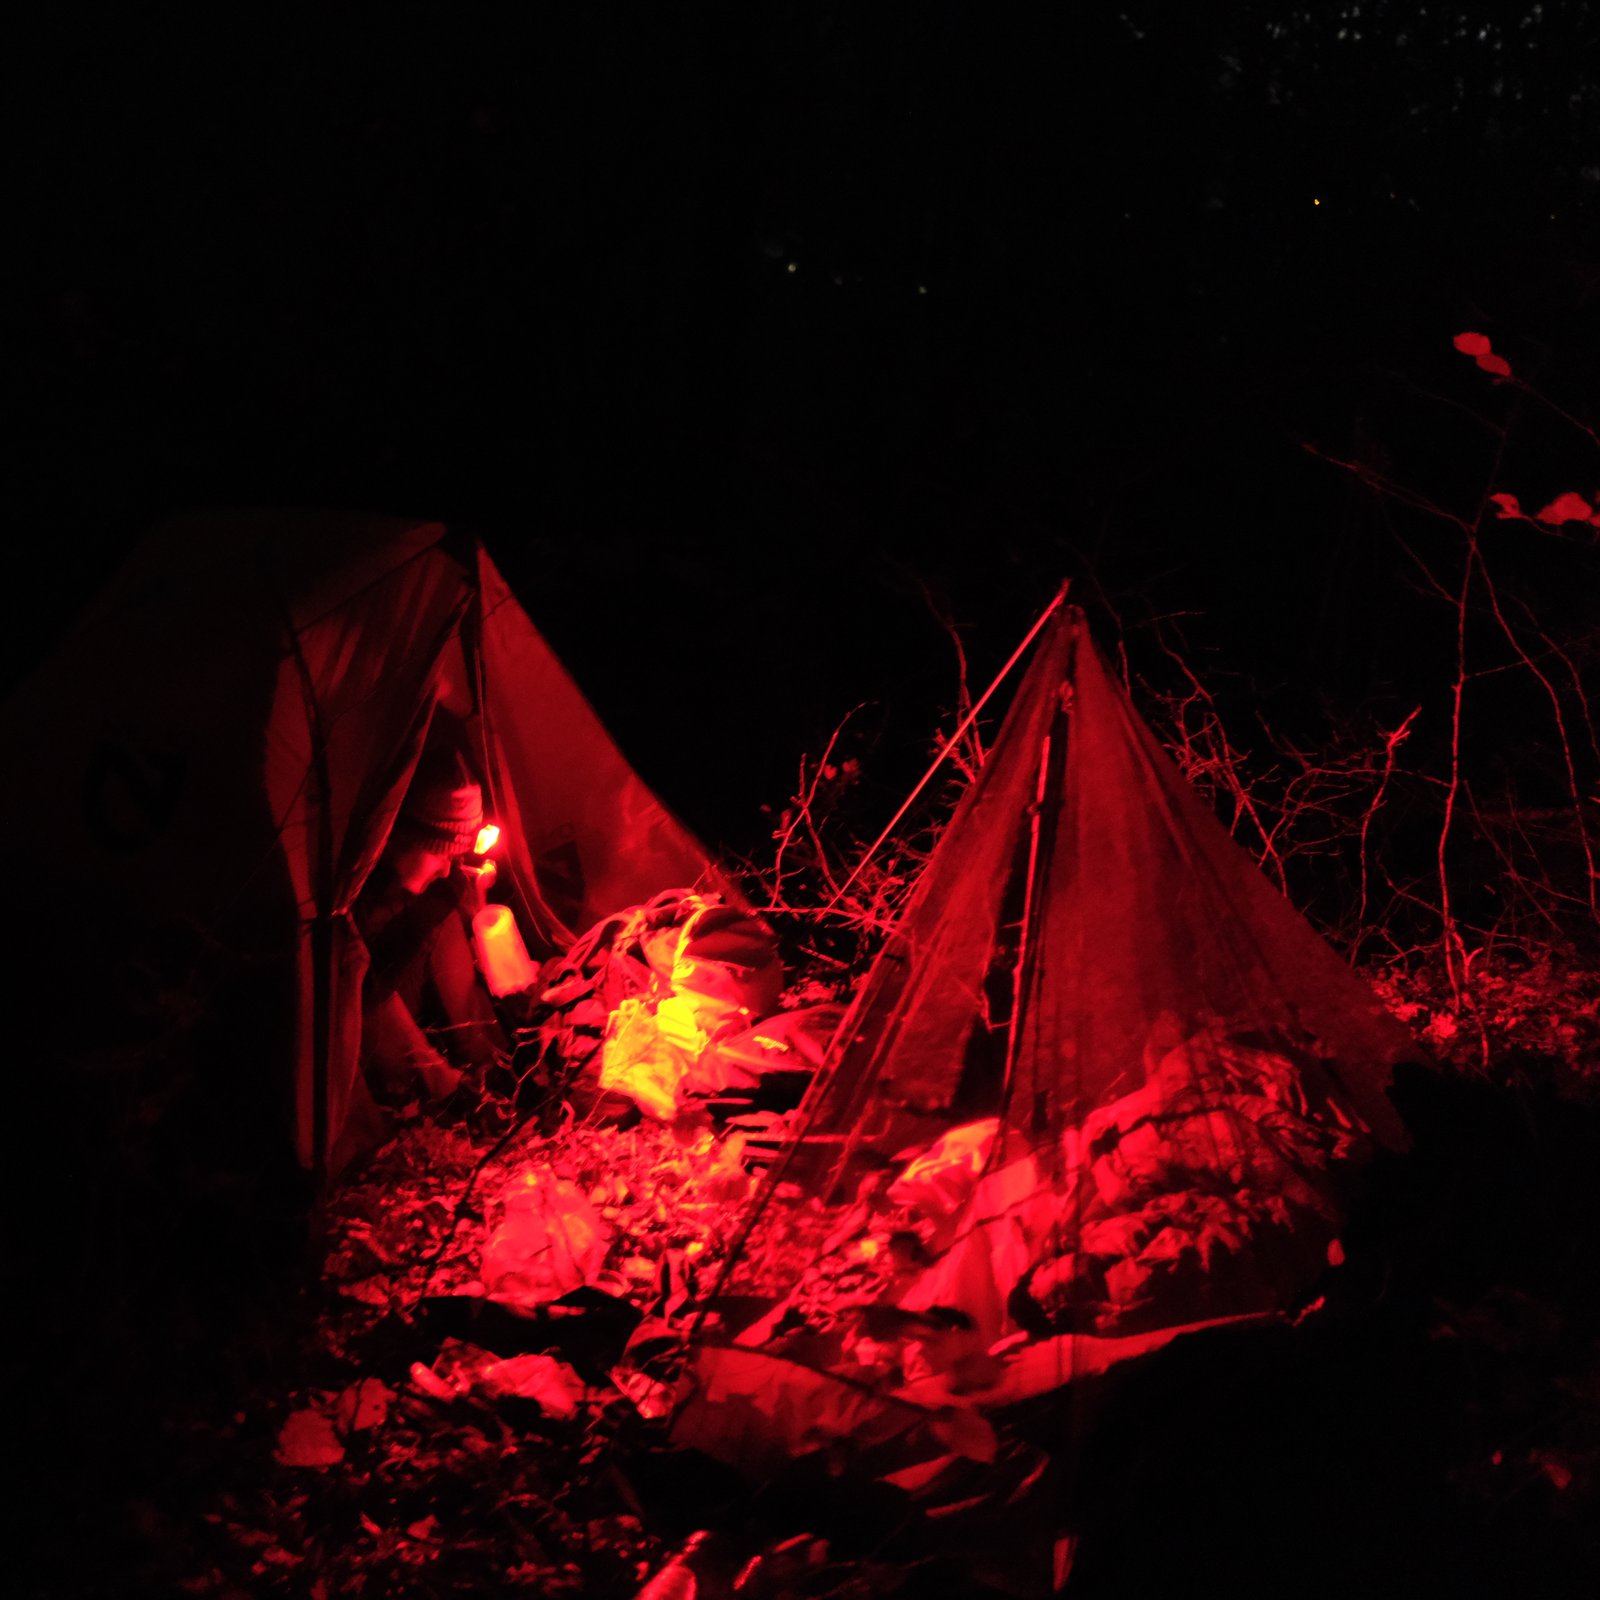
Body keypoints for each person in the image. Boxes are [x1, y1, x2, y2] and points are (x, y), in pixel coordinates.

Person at [355, 747, 510, 1102]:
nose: (446, 868)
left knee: (444, 912)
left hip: (408, 998)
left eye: (454, 856)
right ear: (400, 838)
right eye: (441, 853)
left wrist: (475, 899)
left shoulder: (431, 886)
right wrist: (436, 1074)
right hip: (369, 1025)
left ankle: (487, 1064)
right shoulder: (351, 906)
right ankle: (439, 1091)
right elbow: (366, 985)